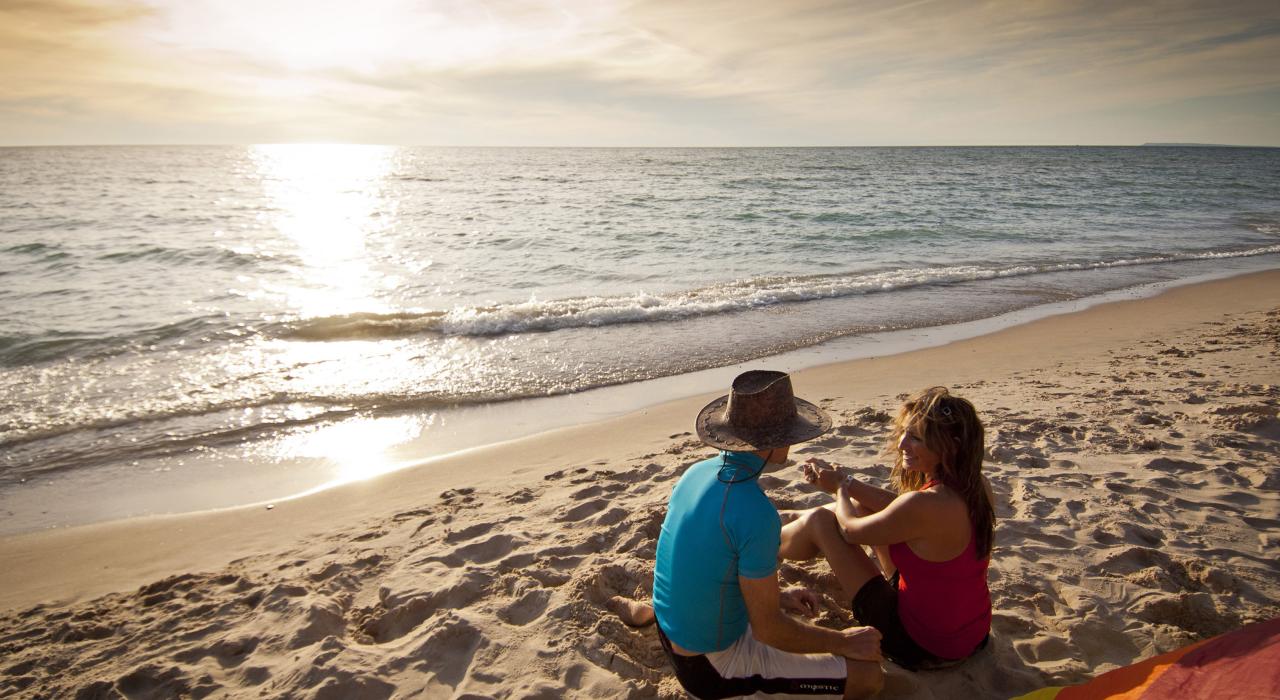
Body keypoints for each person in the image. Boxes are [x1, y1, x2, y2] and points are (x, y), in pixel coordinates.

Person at [643, 370, 885, 699]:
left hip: (670, 631)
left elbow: (709, 564)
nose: (792, 440)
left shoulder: (696, 472)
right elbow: (769, 630)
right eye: (789, 432)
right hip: (709, 667)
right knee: (868, 676)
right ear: (772, 443)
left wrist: (778, 597)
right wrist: (843, 641)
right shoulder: (756, 511)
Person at [781, 386, 993, 671]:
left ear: (951, 446)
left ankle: (767, 538)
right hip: (970, 635)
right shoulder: (977, 486)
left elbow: (851, 532)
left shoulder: (924, 505)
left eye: (915, 437)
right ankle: (789, 520)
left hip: (922, 646)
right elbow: (899, 509)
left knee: (821, 521)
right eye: (904, 432)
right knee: (865, 508)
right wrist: (847, 482)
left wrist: (840, 489)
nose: (902, 444)